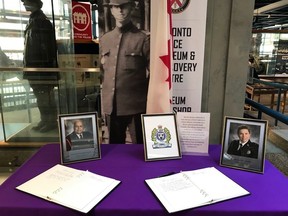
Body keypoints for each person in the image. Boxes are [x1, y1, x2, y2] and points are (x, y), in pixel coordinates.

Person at [100, 0, 150, 144]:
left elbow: (153, 73)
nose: (120, 11)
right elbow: (103, 73)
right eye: (116, 7)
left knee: (140, 148)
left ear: (131, 8)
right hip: (112, 107)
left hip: (136, 106)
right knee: (115, 150)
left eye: (124, 6)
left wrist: (143, 96)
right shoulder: (105, 39)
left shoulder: (142, 39)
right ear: (111, 10)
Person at [21, 0, 59, 132]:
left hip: (41, 69)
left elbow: (48, 48)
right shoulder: (34, 20)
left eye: (26, 2)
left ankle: (51, 121)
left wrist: (46, 71)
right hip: (35, 68)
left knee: (46, 97)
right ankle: (45, 120)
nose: (24, 4)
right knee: (41, 97)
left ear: (34, 3)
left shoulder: (41, 21)